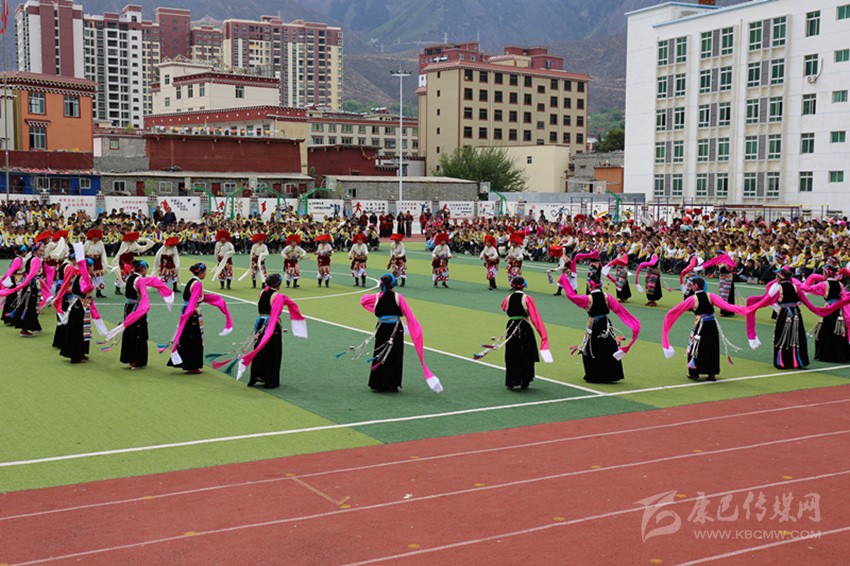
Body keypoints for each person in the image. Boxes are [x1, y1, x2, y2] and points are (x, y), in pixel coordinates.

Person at [745, 266, 850, 370]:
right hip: (811, 312)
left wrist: (751, 305)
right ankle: (802, 360)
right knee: (800, 336)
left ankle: (784, 361)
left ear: (779, 277)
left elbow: (768, 300)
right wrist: (819, 310)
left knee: (784, 336)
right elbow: (808, 302)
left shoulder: (779, 288)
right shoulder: (839, 285)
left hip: (785, 314)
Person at [358, 274, 443, 393]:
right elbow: (408, 314)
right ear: (393, 284)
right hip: (395, 329)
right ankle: (392, 384)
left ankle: (377, 383)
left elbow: (363, 301)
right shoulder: (399, 297)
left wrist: (377, 311)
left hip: (382, 328)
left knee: (380, 353)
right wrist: (416, 329)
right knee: (395, 355)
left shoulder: (377, 297)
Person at [557, 269, 640, 383]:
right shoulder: (607, 297)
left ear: (590, 286)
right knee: (609, 347)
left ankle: (595, 375)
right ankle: (612, 374)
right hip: (605, 325)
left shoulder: (587, 299)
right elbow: (620, 310)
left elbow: (572, 296)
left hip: (594, 326)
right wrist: (633, 322)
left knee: (592, 349)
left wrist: (564, 279)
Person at [662, 276, 750, 382]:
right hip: (712, 325)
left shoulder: (692, 299)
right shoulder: (710, 296)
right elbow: (726, 306)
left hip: (700, 325)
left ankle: (694, 373)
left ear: (695, 286)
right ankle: (711, 373)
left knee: (696, 347)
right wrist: (745, 309)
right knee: (712, 347)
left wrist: (668, 317)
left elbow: (677, 310)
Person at [235, 274, 308, 388]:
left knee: (260, 350)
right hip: (271, 325)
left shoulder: (262, 293)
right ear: (278, 284)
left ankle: (256, 375)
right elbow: (275, 313)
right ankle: (270, 380)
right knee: (273, 352)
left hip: (260, 323)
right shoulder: (277, 296)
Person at [167, 263, 234, 374]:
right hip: (192, 313)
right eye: (205, 271)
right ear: (201, 272)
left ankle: (185, 362)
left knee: (187, 337)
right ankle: (192, 365)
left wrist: (216, 299)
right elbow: (193, 300)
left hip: (189, 311)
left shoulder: (191, 281)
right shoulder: (197, 284)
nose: (205, 274)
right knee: (194, 339)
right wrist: (188, 313)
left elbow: (196, 298)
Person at [499, 276, 553, 390]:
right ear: (523, 286)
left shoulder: (508, 298)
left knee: (512, 353)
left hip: (511, 326)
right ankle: (524, 380)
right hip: (524, 326)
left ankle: (511, 380)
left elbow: (503, 307)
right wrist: (543, 334)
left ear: (512, 286)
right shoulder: (527, 298)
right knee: (526, 353)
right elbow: (535, 317)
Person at [57, 246, 108, 363]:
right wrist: (89, 288)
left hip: (80, 305)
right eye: (92, 266)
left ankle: (81, 352)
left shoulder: (81, 276)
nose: (93, 268)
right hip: (80, 305)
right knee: (78, 330)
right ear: (89, 267)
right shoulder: (84, 278)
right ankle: (76, 355)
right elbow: (84, 290)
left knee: (83, 329)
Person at [802, 265, 850, 363]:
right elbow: (844, 297)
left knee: (825, 331)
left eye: (824, 272)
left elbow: (808, 288)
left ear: (827, 274)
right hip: (838, 310)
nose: (822, 274)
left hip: (829, 310)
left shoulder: (824, 285)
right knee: (838, 331)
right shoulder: (840, 284)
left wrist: (800, 283)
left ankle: (826, 355)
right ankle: (841, 355)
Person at [84, 229, 109, 298]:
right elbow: (83, 252)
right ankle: (87, 292)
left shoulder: (101, 243)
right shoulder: (87, 243)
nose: (96, 238)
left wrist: (105, 264)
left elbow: (103, 254)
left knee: (99, 277)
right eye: (94, 237)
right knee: (89, 277)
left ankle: (99, 292)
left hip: (98, 261)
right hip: (89, 261)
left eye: (97, 237)